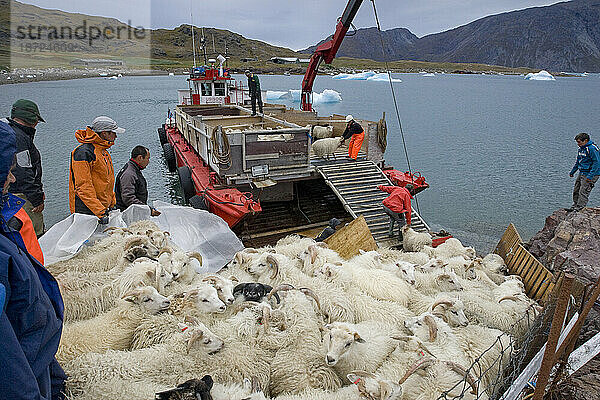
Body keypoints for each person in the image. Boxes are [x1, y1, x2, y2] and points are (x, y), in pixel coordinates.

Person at [0, 120, 66, 400]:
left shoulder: (7, 226)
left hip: (38, 363)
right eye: (8, 171)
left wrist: (54, 377)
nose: (12, 179)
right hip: (26, 375)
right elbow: (7, 359)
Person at [69, 116, 124, 223]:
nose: (116, 136)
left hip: (101, 209)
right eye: (113, 133)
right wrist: (99, 211)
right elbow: (83, 187)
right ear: (104, 133)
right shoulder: (83, 153)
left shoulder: (103, 152)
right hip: (87, 211)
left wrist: (112, 203)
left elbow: (107, 182)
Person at [3, 99, 46, 237]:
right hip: (22, 195)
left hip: (15, 193)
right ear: (30, 118)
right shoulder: (19, 138)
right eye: (36, 120)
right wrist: (36, 198)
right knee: (32, 232)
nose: (36, 124)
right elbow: (23, 170)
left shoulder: (10, 133)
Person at [115, 145, 161, 216]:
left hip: (135, 212)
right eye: (147, 158)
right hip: (128, 215)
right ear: (140, 158)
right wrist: (147, 210)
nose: (148, 162)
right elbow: (128, 198)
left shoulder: (133, 169)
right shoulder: (129, 174)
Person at [569, 132, 600, 211]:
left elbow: (597, 163)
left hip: (591, 174)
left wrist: (590, 176)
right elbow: (578, 161)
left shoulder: (592, 149)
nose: (578, 144)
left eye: (579, 142)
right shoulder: (581, 149)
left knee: (584, 191)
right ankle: (575, 205)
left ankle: (580, 208)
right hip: (582, 172)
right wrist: (573, 171)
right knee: (576, 189)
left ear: (585, 140)